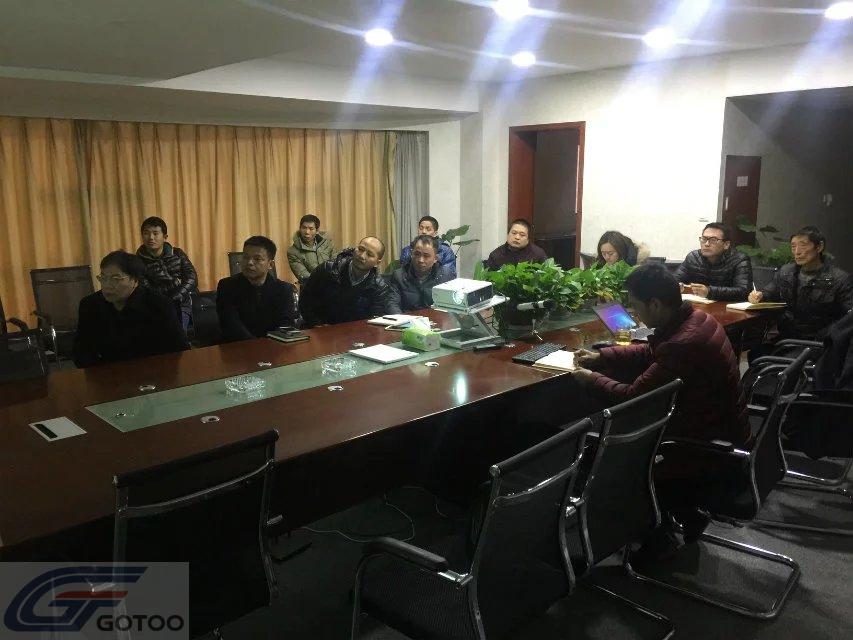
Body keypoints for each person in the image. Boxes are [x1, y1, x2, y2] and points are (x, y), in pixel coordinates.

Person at [571, 263, 748, 555]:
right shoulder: (695, 319)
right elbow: (652, 351)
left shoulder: (684, 342)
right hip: (718, 430)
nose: (634, 314)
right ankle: (677, 514)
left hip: (702, 447)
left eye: (636, 306)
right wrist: (602, 357)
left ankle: (655, 533)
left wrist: (590, 380)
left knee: (601, 439)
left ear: (654, 304)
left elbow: (633, 398)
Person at [73, 251, 188, 367]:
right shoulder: (90, 305)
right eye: (103, 278)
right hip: (108, 372)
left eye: (115, 279)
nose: (107, 285)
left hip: (151, 370)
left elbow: (179, 350)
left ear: (135, 281)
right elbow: (81, 352)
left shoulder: (159, 305)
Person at [749, 226, 853, 341]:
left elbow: (849, 318)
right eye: (793, 246)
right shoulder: (786, 272)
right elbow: (769, 292)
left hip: (821, 343)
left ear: (819, 247)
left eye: (803, 245)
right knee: (754, 347)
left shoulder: (840, 279)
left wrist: (829, 337)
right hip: (787, 339)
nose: (797, 252)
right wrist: (759, 296)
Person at [216, 236, 299, 342]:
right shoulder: (227, 286)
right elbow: (230, 324)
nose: (249, 262)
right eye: (245, 257)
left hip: (274, 347)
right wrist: (256, 345)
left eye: (257, 259)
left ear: (270, 264)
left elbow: (286, 325)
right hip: (238, 346)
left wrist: (269, 345)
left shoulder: (284, 289)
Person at [299, 237, 392, 326]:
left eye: (369, 254)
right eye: (360, 249)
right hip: (320, 328)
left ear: (377, 262)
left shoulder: (379, 287)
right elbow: (306, 302)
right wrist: (316, 324)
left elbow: (375, 320)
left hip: (356, 333)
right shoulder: (327, 270)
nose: (362, 256)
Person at [136, 216, 197, 331]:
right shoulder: (138, 261)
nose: (151, 237)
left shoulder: (178, 253)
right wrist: (169, 296)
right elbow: (146, 289)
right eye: (146, 233)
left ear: (165, 237)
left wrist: (176, 296)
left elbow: (192, 278)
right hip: (157, 307)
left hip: (183, 302)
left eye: (155, 233)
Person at [673, 222, 752, 301]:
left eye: (713, 240)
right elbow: (674, 280)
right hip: (698, 304)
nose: (706, 244)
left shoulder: (739, 260)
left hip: (726, 306)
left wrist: (709, 292)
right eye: (704, 239)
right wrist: (677, 285)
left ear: (726, 244)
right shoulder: (693, 257)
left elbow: (744, 291)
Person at [388, 235, 455, 314]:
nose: (421, 260)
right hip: (407, 320)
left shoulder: (446, 276)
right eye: (417, 254)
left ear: (435, 259)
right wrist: (403, 320)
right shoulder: (399, 276)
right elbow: (392, 305)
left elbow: (452, 307)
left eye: (426, 256)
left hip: (437, 319)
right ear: (411, 254)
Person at [286, 214, 336, 285]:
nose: (307, 232)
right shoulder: (293, 252)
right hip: (311, 288)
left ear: (317, 231)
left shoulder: (327, 242)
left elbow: (336, 264)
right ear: (300, 229)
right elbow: (305, 277)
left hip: (333, 284)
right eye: (304, 228)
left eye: (311, 229)